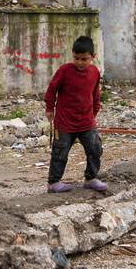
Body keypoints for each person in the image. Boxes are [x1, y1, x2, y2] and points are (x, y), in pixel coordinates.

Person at [44, 36, 107, 193]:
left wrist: (94, 112)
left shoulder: (94, 72)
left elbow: (95, 94)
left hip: (86, 121)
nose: (79, 62)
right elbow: (52, 88)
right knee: (60, 152)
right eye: (76, 58)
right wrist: (50, 108)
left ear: (93, 57)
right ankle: (53, 182)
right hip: (64, 122)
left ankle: (91, 178)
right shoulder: (64, 71)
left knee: (95, 148)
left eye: (84, 59)